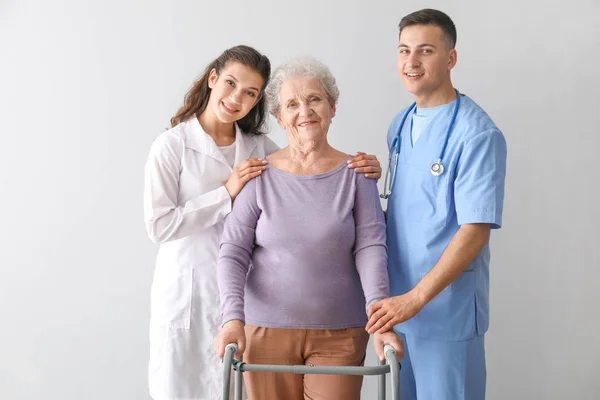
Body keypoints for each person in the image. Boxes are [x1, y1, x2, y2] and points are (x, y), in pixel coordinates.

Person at [144, 46, 382, 400]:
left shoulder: (258, 149)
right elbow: (160, 226)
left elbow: (303, 152)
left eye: (250, 92)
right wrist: (226, 192)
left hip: (257, 303)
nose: (236, 97)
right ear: (213, 79)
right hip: (194, 293)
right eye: (230, 83)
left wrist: (366, 169)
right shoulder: (171, 146)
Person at [214, 58, 403, 400]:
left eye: (314, 99)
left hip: (341, 332)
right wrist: (232, 318)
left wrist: (380, 320)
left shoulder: (357, 175)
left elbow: (372, 248)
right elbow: (233, 252)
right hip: (264, 332)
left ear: (332, 107)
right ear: (279, 117)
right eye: (292, 104)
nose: (305, 111)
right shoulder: (259, 176)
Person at [365, 9, 507, 400]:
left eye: (425, 50)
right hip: (397, 312)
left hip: (445, 314)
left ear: (450, 58)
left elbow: (475, 230)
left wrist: (416, 298)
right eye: (403, 51)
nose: (411, 62)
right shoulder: (400, 124)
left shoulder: (477, 134)